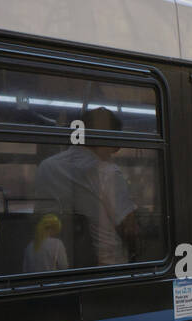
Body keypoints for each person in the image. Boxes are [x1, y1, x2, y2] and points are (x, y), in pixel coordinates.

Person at [34, 107, 139, 266]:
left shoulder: (46, 166)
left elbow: (40, 215)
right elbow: (129, 230)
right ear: (112, 142)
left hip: (54, 263)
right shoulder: (107, 173)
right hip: (108, 268)